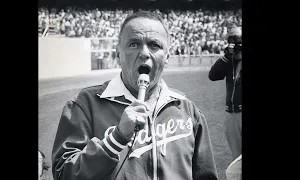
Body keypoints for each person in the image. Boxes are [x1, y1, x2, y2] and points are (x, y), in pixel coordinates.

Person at [52, 11, 218, 180]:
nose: (144, 53)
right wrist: (116, 139)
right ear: (118, 55)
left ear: (167, 56)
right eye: (134, 44)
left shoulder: (187, 110)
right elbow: (63, 174)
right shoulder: (84, 105)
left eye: (154, 45)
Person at [208, 27, 242, 179]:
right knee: (237, 161)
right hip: (231, 115)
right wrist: (227, 58)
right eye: (231, 41)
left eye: (237, 41)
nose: (234, 45)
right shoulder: (230, 61)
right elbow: (213, 75)